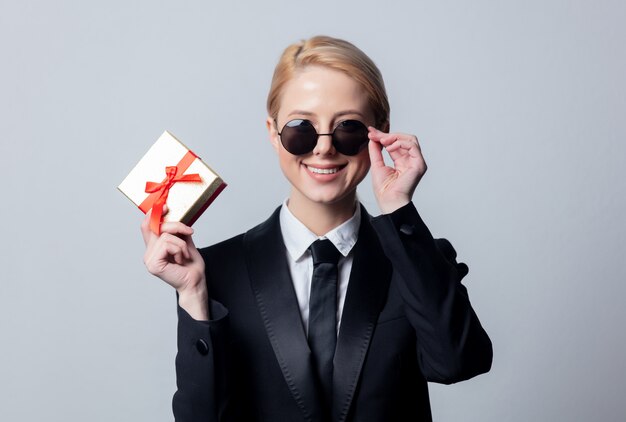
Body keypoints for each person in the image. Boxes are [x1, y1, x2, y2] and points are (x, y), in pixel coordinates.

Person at [141, 35, 492, 422]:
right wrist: (192, 296)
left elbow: (457, 363)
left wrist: (397, 207)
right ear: (273, 133)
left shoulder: (417, 257)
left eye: (348, 128)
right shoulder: (215, 271)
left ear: (380, 132)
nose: (324, 148)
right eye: (301, 128)